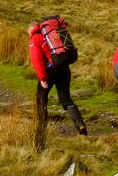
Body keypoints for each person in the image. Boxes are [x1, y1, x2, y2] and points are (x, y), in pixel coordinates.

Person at [29, 18, 86, 151]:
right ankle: (80, 125)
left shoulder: (35, 40)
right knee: (65, 99)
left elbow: (37, 60)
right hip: (64, 68)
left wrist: (43, 78)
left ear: (30, 30)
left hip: (50, 71)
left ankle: (41, 129)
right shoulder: (50, 35)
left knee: (40, 99)